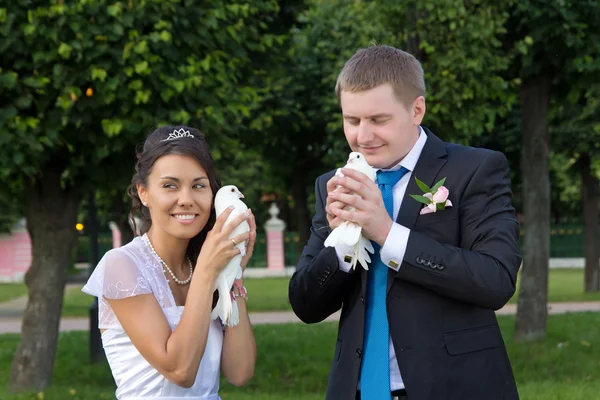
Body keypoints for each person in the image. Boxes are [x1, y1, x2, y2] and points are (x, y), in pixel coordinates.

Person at [288, 45, 521, 400]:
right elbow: (306, 305)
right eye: (351, 120)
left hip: (456, 387)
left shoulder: (474, 170)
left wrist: (386, 232)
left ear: (417, 109)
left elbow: (496, 280)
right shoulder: (333, 184)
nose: (362, 137)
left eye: (378, 120)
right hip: (357, 390)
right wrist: (339, 246)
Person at [82, 126, 257, 400]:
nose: (186, 200)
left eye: (199, 185)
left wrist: (233, 275)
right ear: (144, 193)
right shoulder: (122, 266)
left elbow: (240, 372)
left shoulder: (204, 262)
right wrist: (207, 271)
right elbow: (180, 371)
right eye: (170, 186)